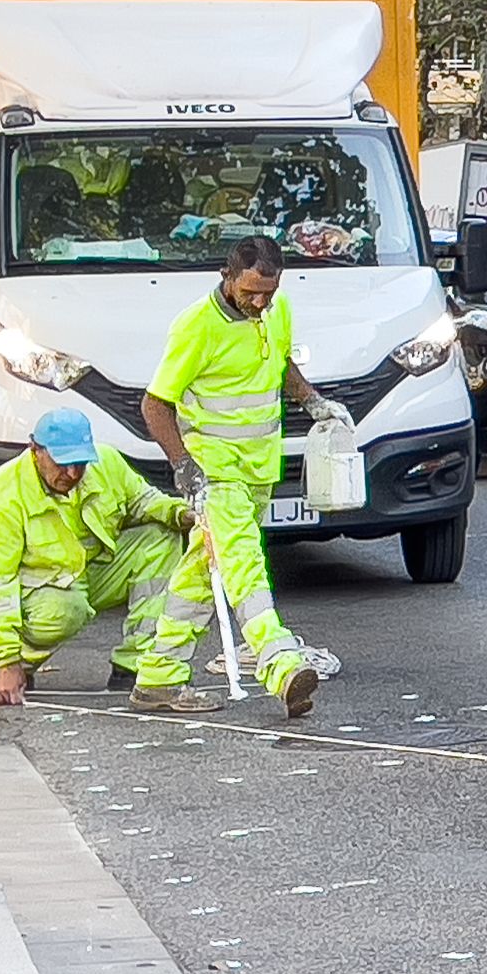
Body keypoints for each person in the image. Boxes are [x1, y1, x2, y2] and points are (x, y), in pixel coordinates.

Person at [140, 236, 341, 716]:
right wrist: (184, 466)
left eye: (268, 293)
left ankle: (159, 677)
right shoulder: (197, 326)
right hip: (216, 475)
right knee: (244, 566)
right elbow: (154, 405)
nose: (259, 302)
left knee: (197, 574)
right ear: (227, 278)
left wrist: (313, 401)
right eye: (250, 292)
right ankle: (280, 664)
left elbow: (280, 366)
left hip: (257, 471)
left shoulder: (277, 310)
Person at [0, 410, 197, 708]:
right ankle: (19, 666)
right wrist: (5, 659)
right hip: (38, 593)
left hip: (89, 572)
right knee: (65, 609)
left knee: (161, 537)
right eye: (63, 463)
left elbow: (142, 501)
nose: (72, 473)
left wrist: (180, 514)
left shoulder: (106, 462)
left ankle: (138, 663)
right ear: (35, 451)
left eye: (80, 463)